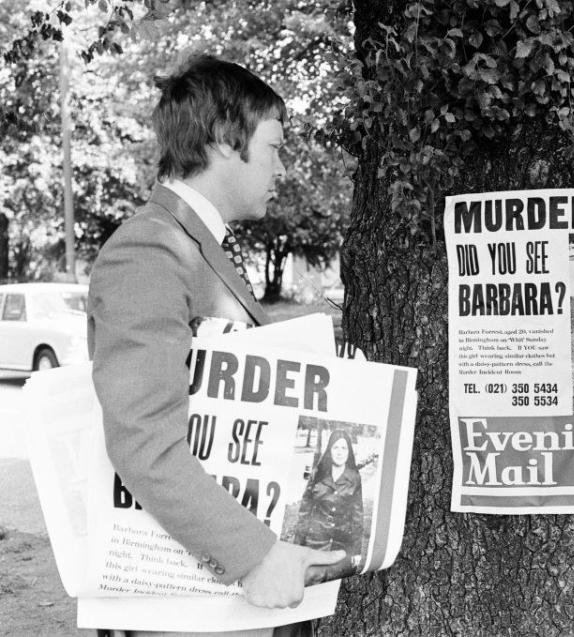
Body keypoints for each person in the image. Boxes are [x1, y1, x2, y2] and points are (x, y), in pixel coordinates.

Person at [86, 55, 344, 637]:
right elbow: (144, 441)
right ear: (227, 140)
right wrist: (254, 554)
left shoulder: (198, 245)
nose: (282, 166)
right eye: (275, 146)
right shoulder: (149, 251)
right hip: (186, 612)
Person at [293, 430, 364, 584]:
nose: (339, 452)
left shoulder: (355, 478)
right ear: (330, 450)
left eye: (344, 448)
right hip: (316, 541)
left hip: (342, 545)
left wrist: (356, 550)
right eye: (335, 447)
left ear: (349, 451)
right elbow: (304, 511)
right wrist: (297, 545)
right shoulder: (318, 474)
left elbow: (358, 516)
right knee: (308, 583)